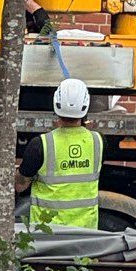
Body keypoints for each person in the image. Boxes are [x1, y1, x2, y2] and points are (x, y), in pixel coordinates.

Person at [18, 77, 103, 230]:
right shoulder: (98, 141)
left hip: (47, 234)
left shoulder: (40, 144)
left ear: (55, 103)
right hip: (86, 235)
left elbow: (20, 186)